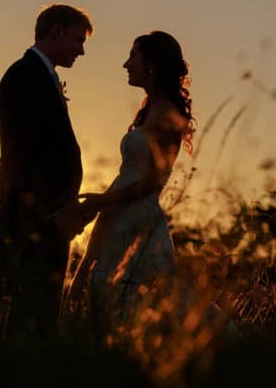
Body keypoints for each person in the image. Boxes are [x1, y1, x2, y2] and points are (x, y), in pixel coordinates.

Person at [67, 30, 196, 321]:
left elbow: (153, 182)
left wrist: (102, 201)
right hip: (119, 214)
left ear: (152, 64)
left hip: (139, 220)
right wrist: (102, 207)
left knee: (137, 299)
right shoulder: (148, 109)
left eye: (133, 56)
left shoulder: (169, 114)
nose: (126, 64)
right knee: (107, 294)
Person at [0, 3, 95, 337]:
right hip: (36, 221)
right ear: (57, 32)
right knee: (30, 318)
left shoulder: (41, 77)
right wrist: (49, 216)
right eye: (78, 40)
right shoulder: (23, 77)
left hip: (52, 218)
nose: (81, 50)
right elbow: (23, 157)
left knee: (41, 315)